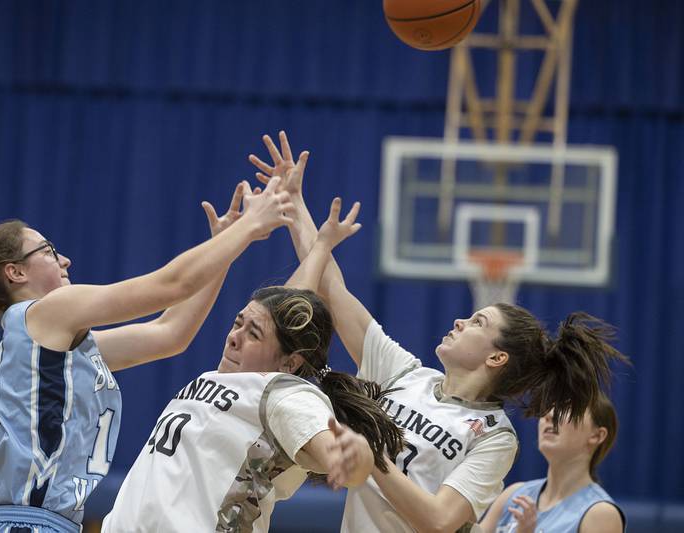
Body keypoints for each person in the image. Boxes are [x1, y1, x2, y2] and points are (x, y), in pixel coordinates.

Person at [249, 131, 630, 533]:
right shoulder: (406, 374)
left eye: (477, 322)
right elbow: (332, 289)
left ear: (496, 357)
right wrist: (295, 204)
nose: (459, 322)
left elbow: (439, 520)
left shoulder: (496, 437)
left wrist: (371, 459)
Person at [0, 178, 294, 533]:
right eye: (49, 251)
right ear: (15, 272)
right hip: (25, 522)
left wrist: (220, 252)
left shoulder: (54, 346)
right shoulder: (47, 311)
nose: (64, 259)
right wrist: (248, 227)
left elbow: (169, 334)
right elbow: (170, 285)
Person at [102, 197, 405, 533]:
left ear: (290, 363)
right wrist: (320, 245)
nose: (235, 337)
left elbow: (338, 456)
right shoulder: (230, 378)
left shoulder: (285, 395)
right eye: (237, 323)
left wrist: (355, 454)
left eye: (252, 334)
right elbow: (284, 311)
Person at [478, 393, 625, 533]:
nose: (549, 415)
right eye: (548, 408)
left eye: (566, 409)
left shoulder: (600, 514)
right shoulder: (513, 495)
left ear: (597, 435)